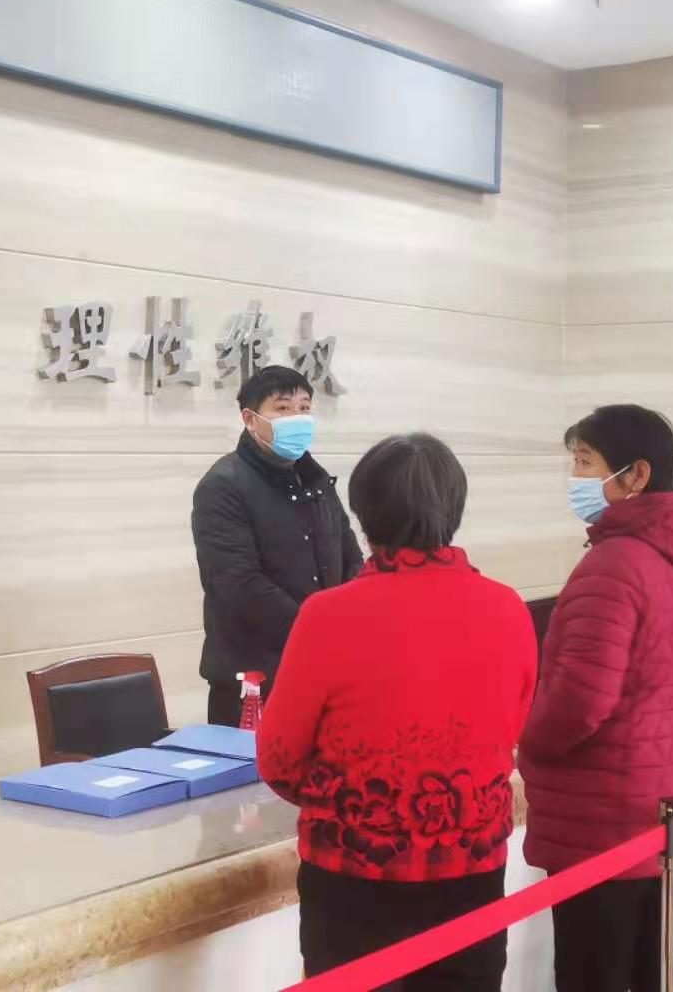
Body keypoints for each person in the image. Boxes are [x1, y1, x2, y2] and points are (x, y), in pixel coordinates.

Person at [257, 433, 537, 991]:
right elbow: (512, 727)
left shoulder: (327, 614)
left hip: (353, 884)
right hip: (471, 876)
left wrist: (355, 801)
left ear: (364, 514)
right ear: (454, 508)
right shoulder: (507, 606)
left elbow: (280, 758)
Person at [521, 405, 673, 992]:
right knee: (657, 970)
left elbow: (580, 703)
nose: (576, 478)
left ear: (636, 474)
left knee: (596, 973)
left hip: (604, 818)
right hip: (671, 808)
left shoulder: (612, 564)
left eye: (585, 463)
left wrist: (528, 741)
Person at [192, 365, 364, 725]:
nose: (296, 418)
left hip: (322, 668)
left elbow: (350, 557)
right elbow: (238, 583)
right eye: (283, 408)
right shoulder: (223, 485)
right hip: (254, 680)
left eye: (304, 408)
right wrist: (315, 629)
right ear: (250, 419)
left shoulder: (316, 480)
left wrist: (345, 621)